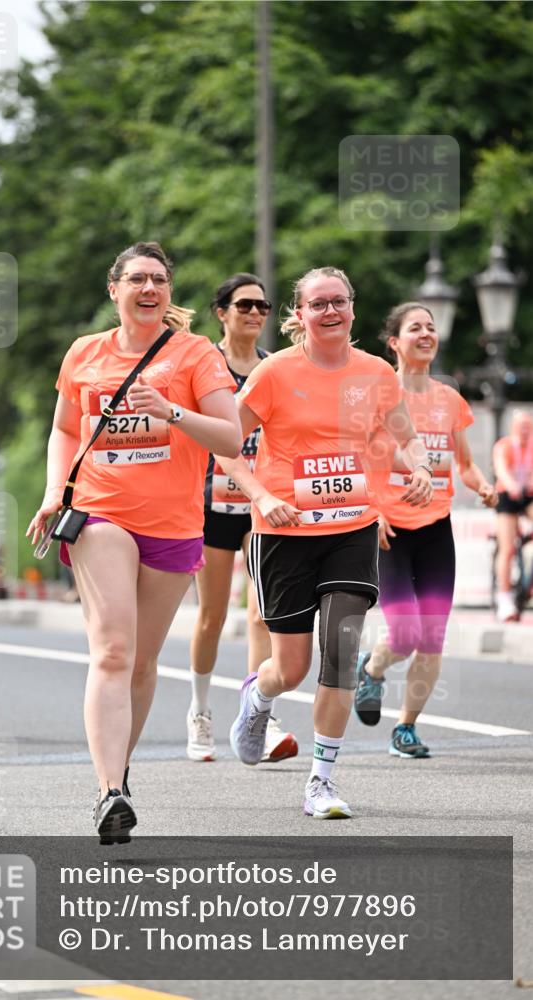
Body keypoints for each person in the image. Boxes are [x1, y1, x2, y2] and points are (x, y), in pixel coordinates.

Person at [27, 242, 241, 844]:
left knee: (143, 662)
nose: (150, 289)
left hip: (174, 524)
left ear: (169, 291)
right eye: (138, 279)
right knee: (114, 651)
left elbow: (231, 438)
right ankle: (108, 792)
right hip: (100, 513)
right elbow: (64, 429)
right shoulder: (84, 353)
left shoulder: (196, 354)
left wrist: (172, 412)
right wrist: (54, 492)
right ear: (114, 288)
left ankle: (117, 771)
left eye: (159, 280)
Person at [218, 266, 433, 819]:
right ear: (300, 314)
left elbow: (403, 434)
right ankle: (258, 697)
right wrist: (261, 496)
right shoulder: (274, 372)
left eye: (339, 301)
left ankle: (321, 782)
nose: (330, 311)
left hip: (351, 528)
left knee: (339, 653)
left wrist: (419, 467)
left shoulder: (376, 373)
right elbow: (224, 443)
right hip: (284, 532)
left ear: (353, 308)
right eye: (318, 304)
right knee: (290, 668)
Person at [353, 302, 497, 756]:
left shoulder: (449, 399)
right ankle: (372, 669)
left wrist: (483, 485)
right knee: (405, 633)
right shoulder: (378, 395)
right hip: (389, 529)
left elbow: (465, 465)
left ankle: (406, 729)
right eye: (415, 328)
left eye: (431, 327)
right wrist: (371, 511)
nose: (426, 334)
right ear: (394, 342)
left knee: (432, 638)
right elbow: (355, 459)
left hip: (436, 528)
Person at [187, 273, 298, 764]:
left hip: (263, 504)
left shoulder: (274, 368)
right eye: (245, 305)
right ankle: (200, 711)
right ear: (222, 312)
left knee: (260, 614)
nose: (255, 314)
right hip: (211, 503)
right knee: (212, 616)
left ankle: (259, 716)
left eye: (263, 307)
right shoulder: (204, 365)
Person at [492, 409, 533, 622]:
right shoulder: (504, 446)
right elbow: (501, 470)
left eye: (528, 427)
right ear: (513, 428)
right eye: (521, 427)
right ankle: (504, 598)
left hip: (529, 495)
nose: (525, 431)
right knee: (507, 548)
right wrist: (511, 485)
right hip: (507, 496)